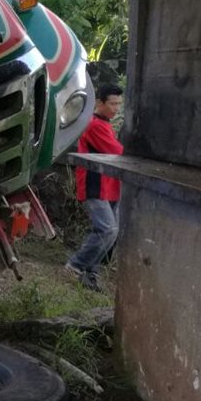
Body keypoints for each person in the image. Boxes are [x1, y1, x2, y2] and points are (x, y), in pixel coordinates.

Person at [66, 83, 125, 291]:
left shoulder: (104, 123)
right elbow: (118, 152)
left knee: (109, 232)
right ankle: (76, 265)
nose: (116, 108)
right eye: (113, 104)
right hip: (95, 185)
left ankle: (90, 274)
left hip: (108, 186)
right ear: (99, 102)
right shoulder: (95, 125)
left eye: (119, 104)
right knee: (108, 229)